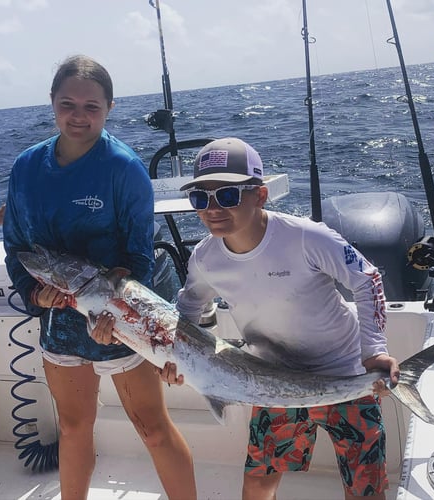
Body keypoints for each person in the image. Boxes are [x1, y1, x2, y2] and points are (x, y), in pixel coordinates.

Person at [160, 137, 400, 500]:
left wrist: (375, 351)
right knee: (257, 486)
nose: (212, 209)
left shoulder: (306, 236)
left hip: (346, 372)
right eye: (200, 198)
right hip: (270, 380)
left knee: (365, 489)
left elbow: (367, 279)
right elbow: (189, 311)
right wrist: (174, 358)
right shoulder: (205, 259)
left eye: (226, 195)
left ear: (260, 195)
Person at [3, 55, 196, 500]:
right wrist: (35, 294)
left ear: (109, 107)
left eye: (92, 106)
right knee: (72, 428)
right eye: (68, 103)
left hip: (120, 321)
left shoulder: (123, 168)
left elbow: (139, 259)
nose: (78, 115)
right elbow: (17, 246)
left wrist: (120, 319)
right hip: (59, 323)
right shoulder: (26, 168)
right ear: (52, 103)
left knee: (152, 429)